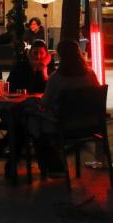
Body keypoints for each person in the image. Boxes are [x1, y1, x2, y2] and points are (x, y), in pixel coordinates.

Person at [28, 38, 99, 175]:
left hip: (63, 125)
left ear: (60, 56)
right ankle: (54, 164)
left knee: (33, 121)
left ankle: (52, 165)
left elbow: (45, 104)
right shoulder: (90, 74)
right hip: (90, 124)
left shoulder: (56, 78)